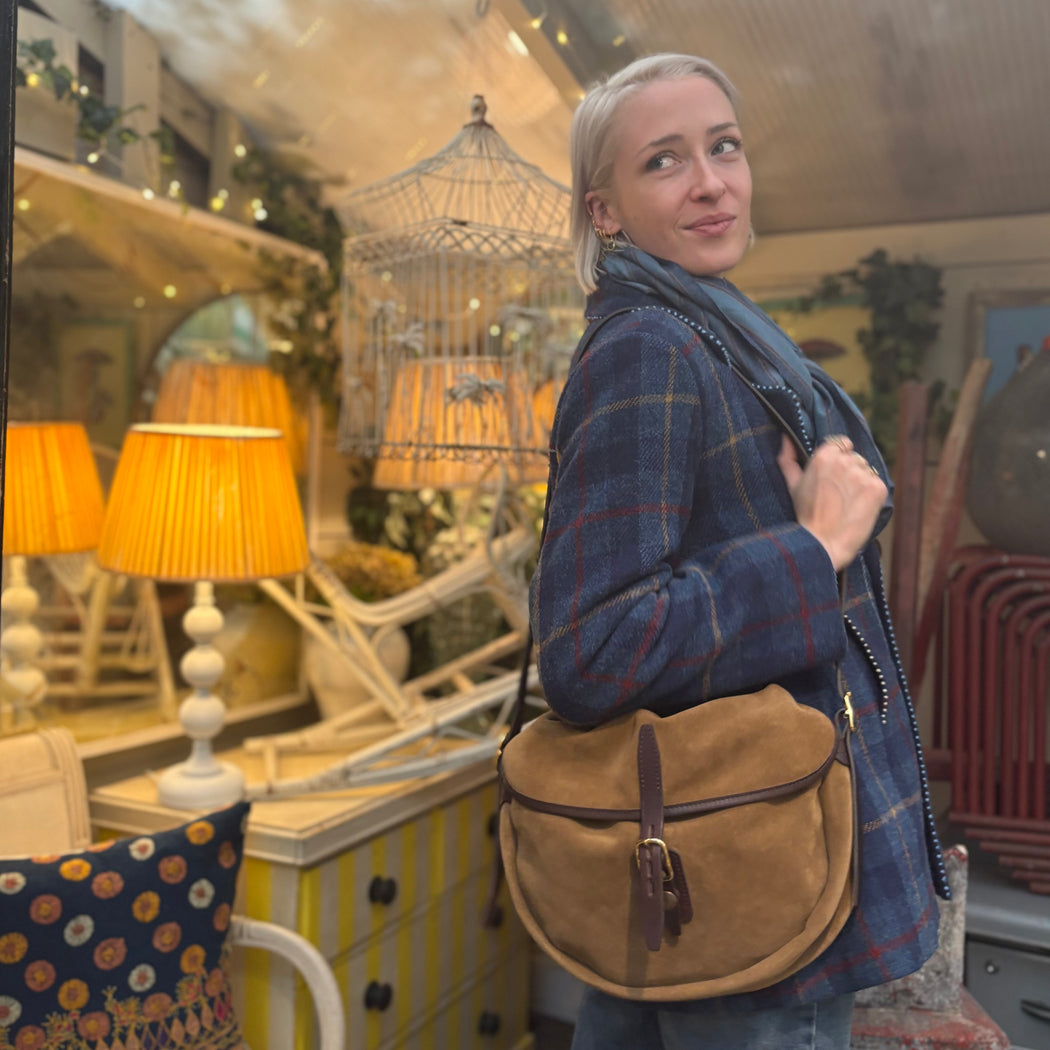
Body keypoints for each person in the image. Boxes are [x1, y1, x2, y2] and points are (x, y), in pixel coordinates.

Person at [529, 53, 950, 1050]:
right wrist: (811, 550)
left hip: (730, 859)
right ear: (605, 211)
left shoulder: (722, 335)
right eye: (665, 161)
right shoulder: (652, 348)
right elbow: (591, 649)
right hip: (750, 881)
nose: (711, 182)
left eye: (724, 147)